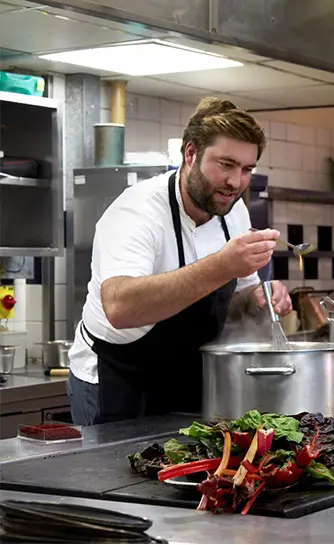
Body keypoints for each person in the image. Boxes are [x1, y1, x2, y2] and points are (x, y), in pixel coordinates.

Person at [67, 97, 292, 426]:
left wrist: (259, 297)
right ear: (190, 154)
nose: (236, 182)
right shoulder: (137, 211)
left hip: (187, 375)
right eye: (226, 164)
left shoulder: (234, 212)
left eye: (247, 169)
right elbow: (119, 308)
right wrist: (222, 266)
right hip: (118, 378)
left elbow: (238, 297)